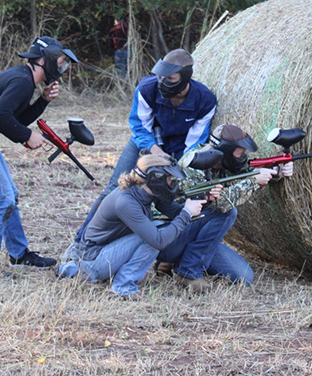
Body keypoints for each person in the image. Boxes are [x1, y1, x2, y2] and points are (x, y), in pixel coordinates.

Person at [63, 48, 217, 257]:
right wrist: (154, 150)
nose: (162, 82)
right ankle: (80, 244)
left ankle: (170, 253)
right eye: (160, 77)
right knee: (114, 188)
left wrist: (177, 166)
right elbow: (139, 126)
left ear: (185, 77)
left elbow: (195, 142)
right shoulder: (147, 88)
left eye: (170, 78)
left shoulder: (205, 99)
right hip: (146, 141)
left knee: (171, 194)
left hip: (179, 148)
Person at [0, 36, 78, 276]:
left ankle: (19, 255)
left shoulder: (24, 79)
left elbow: (15, 118)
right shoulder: (22, 81)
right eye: (59, 61)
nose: (61, 68)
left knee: (10, 195)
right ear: (44, 60)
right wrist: (26, 135)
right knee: (2, 200)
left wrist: (43, 101)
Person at [58, 154, 232, 295]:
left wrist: (205, 200)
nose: (172, 182)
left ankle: (123, 281)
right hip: (94, 261)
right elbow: (159, 241)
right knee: (153, 236)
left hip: (107, 253)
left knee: (156, 231)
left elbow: (175, 213)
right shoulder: (126, 202)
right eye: (170, 178)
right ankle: (123, 287)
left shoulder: (148, 192)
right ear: (156, 178)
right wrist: (187, 212)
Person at [166, 124, 294, 286]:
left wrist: (276, 171)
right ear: (225, 151)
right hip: (171, 235)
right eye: (239, 153)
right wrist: (254, 182)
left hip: (196, 235)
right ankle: (188, 271)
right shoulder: (194, 164)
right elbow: (220, 203)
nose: (242, 157)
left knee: (243, 277)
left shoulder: (223, 162)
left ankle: (175, 260)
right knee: (227, 212)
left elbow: (245, 172)